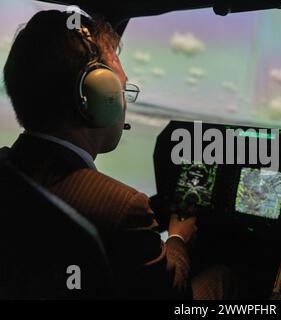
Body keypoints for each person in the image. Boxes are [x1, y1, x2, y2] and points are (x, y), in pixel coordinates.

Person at [2, 10, 235, 300]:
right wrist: (177, 239)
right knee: (223, 275)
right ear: (98, 98)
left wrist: (153, 216)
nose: (124, 105)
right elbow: (173, 295)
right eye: (122, 90)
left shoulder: (7, 169)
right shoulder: (123, 210)